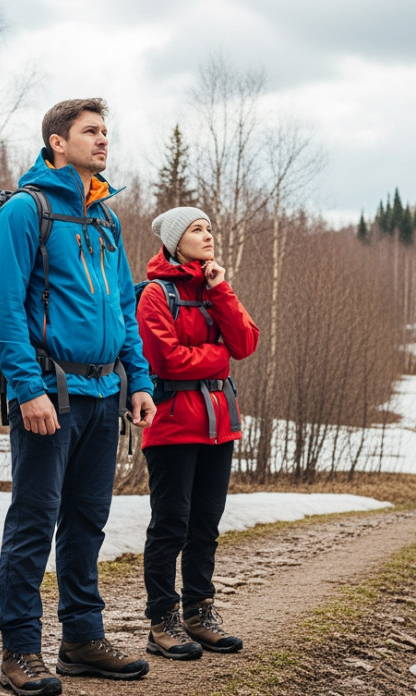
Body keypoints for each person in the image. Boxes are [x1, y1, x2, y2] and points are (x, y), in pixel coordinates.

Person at [0, 98, 157, 695]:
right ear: (57, 143)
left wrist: (138, 380)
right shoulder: (25, 210)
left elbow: (123, 309)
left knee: (88, 521)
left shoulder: (105, 216)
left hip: (105, 392)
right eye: (90, 131)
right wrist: (27, 389)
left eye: (107, 130)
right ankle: (20, 651)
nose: (103, 140)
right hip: (50, 395)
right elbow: (2, 309)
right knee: (34, 520)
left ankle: (82, 639)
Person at [136, 208, 259, 660]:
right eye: (196, 229)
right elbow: (166, 361)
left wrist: (220, 289)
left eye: (209, 228)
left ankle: (199, 613)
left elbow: (245, 344)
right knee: (170, 526)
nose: (207, 236)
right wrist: (217, 357)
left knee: (205, 525)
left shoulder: (213, 289)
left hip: (219, 426)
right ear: (174, 240)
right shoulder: (155, 294)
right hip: (171, 426)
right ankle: (162, 620)